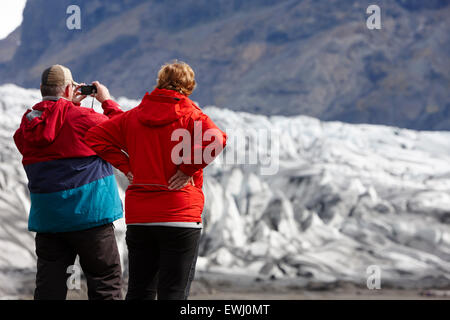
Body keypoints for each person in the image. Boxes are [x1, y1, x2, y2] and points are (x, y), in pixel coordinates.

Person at [85, 61, 227, 300]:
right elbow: (217, 140)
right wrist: (187, 169)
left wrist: (126, 166)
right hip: (180, 214)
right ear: (189, 86)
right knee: (173, 292)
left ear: (160, 82)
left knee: (140, 290)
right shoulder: (193, 116)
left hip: (142, 217)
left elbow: (97, 135)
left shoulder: (135, 116)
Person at [13, 65, 124, 300]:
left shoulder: (26, 129)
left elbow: (53, 132)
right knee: (105, 284)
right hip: (91, 218)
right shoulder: (83, 118)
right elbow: (123, 131)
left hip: (49, 222)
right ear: (68, 89)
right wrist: (106, 101)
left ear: (42, 89)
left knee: (49, 289)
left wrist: (67, 105)